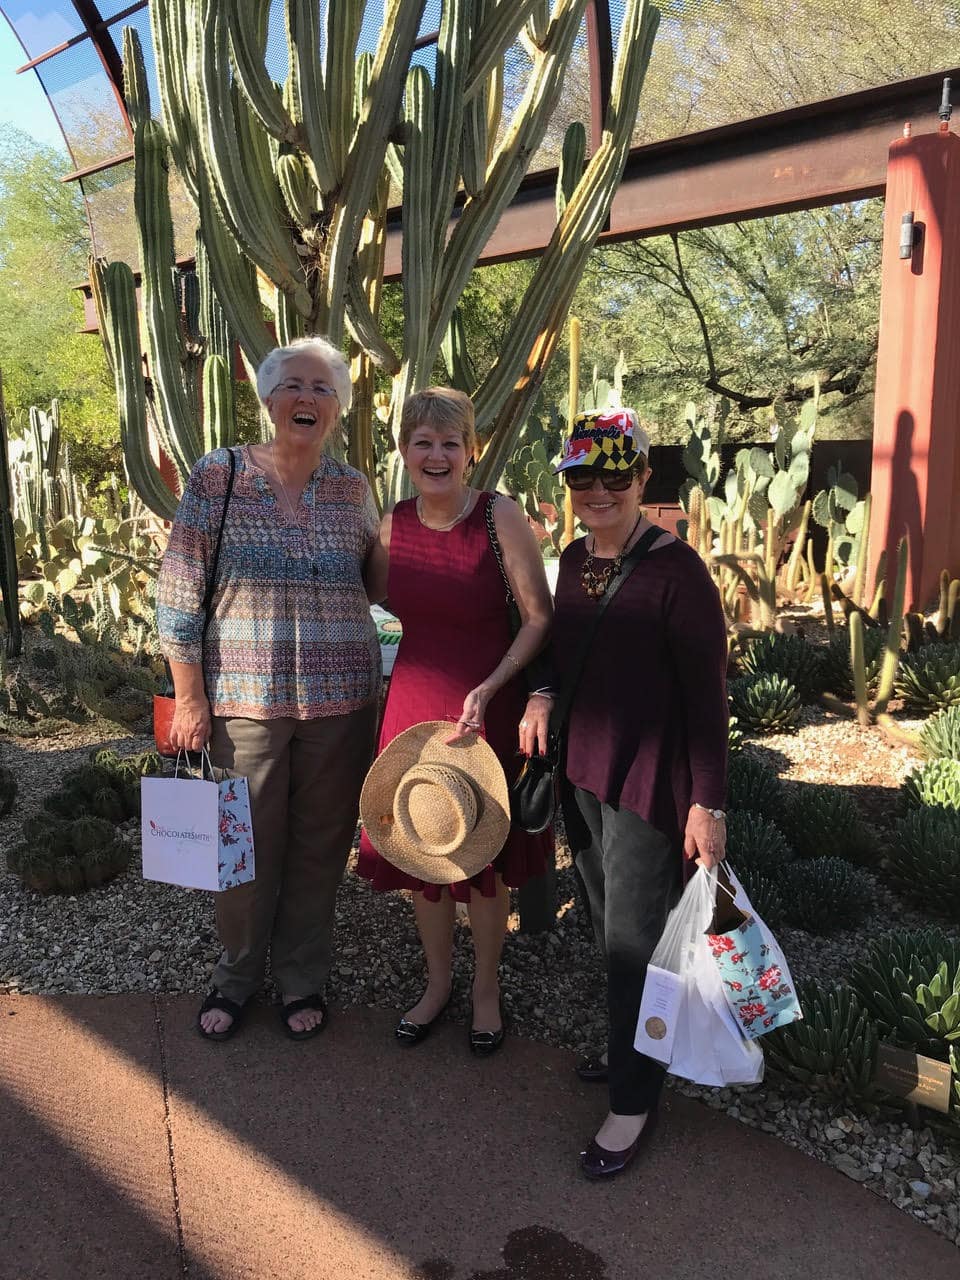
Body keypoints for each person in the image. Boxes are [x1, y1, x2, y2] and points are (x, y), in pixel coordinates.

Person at [518, 408, 728, 1178]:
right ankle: (634, 1052)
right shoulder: (574, 561)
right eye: (582, 478)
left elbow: (709, 700)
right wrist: (541, 693)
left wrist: (709, 803)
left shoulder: (679, 573)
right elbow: (561, 652)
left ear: (643, 477)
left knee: (637, 945)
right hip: (583, 774)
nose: (598, 491)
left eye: (616, 476)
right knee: (611, 930)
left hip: (649, 782)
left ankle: (634, 1101)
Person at [157, 336, 382, 1043]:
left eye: (322, 387)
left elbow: (378, 583)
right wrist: (190, 697)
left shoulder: (353, 488)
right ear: (267, 398)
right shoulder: (219, 475)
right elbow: (178, 593)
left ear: (339, 406)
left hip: (342, 700)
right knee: (242, 848)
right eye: (293, 385)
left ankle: (302, 978)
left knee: (321, 847)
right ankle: (236, 975)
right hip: (241, 701)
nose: (307, 398)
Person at [357, 387, 553, 1055]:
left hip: (485, 706)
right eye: (423, 443)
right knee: (424, 850)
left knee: (483, 860)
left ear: (471, 449)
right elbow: (373, 595)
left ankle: (486, 991)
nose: (436, 455)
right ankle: (437, 985)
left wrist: (497, 686)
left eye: (449, 443)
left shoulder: (499, 515)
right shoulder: (391, 525)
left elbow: (538, 617)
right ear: (404, 452)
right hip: (412, 708)